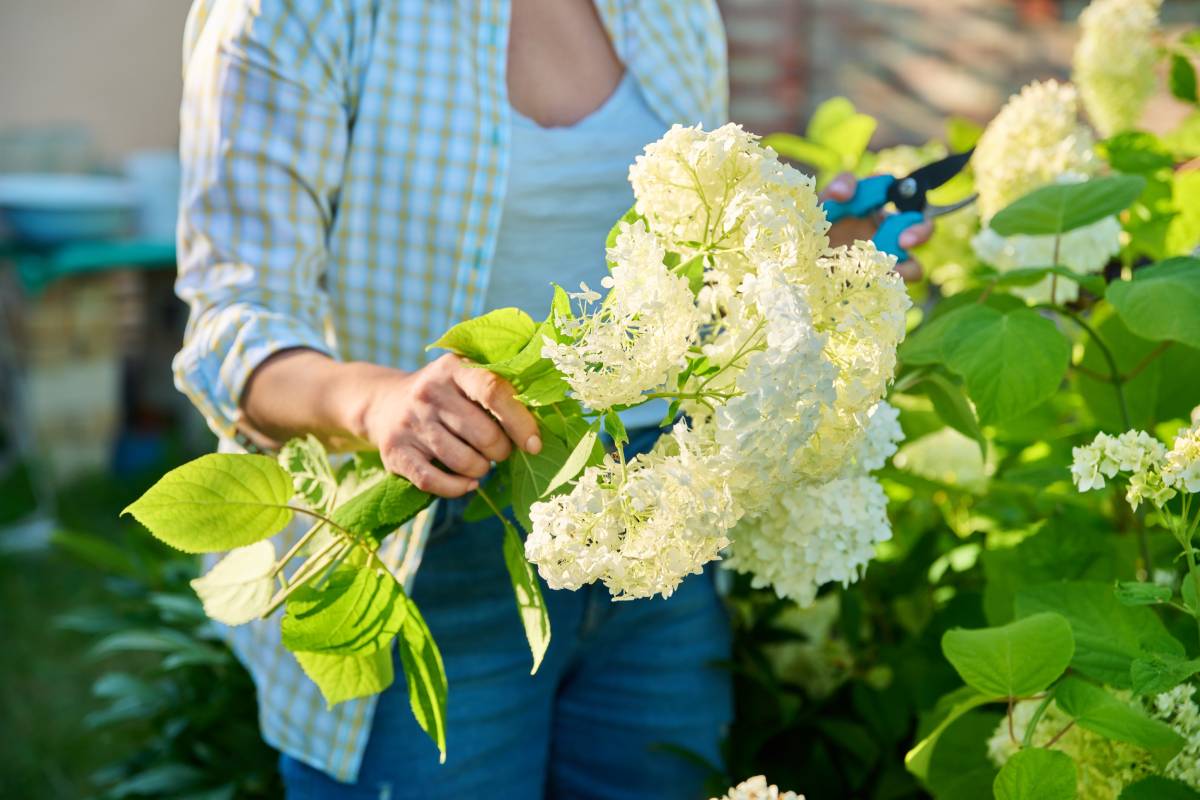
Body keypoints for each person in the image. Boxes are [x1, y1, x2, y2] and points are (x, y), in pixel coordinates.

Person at [174, 1, 933, 797]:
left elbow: (681, 282)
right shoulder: (302, 14)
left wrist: (803, 259)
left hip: (660, 540)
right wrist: (379, 404)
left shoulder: (669, 12)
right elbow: (235, 321)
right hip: (429, 540)